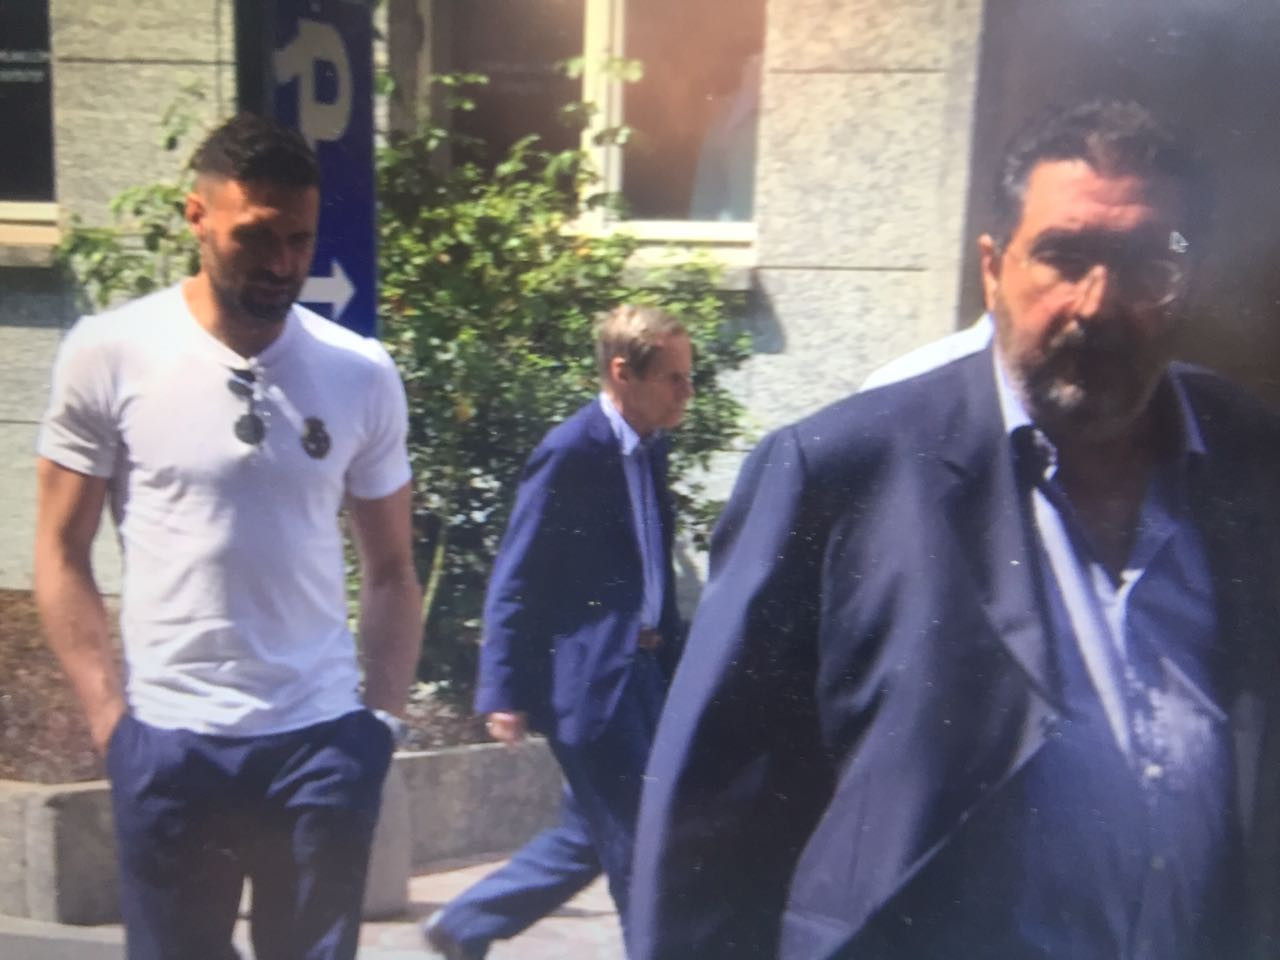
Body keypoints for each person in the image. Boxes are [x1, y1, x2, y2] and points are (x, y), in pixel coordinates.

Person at [629, 99, 1280, 959]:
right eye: (1064, 256)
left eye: (1145, 265)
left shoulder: (1249, 459)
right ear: (993, 268)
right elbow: (709, 819)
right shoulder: (844, 471)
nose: (1098, 303)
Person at [33, 113, 421, 960]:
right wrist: (113, 725)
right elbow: (60, 551)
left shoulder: (359, 371)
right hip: (173, 743)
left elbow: (393, 568)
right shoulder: (111, 353)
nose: (282, 263)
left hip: (319, 742)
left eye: (299, 239)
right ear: (198, 218)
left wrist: (379, 727)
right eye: (256, 236)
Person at [423, 305, 694, 959]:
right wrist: (502, 690)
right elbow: (519, 573)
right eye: (675, 378)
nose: (687, 392)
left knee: (591, 833)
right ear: (623, 373)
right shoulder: (571, 452)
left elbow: (648, 566)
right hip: (597, 684)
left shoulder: (651, 447)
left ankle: (465, 924)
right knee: (644, 848)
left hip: (646, 675)